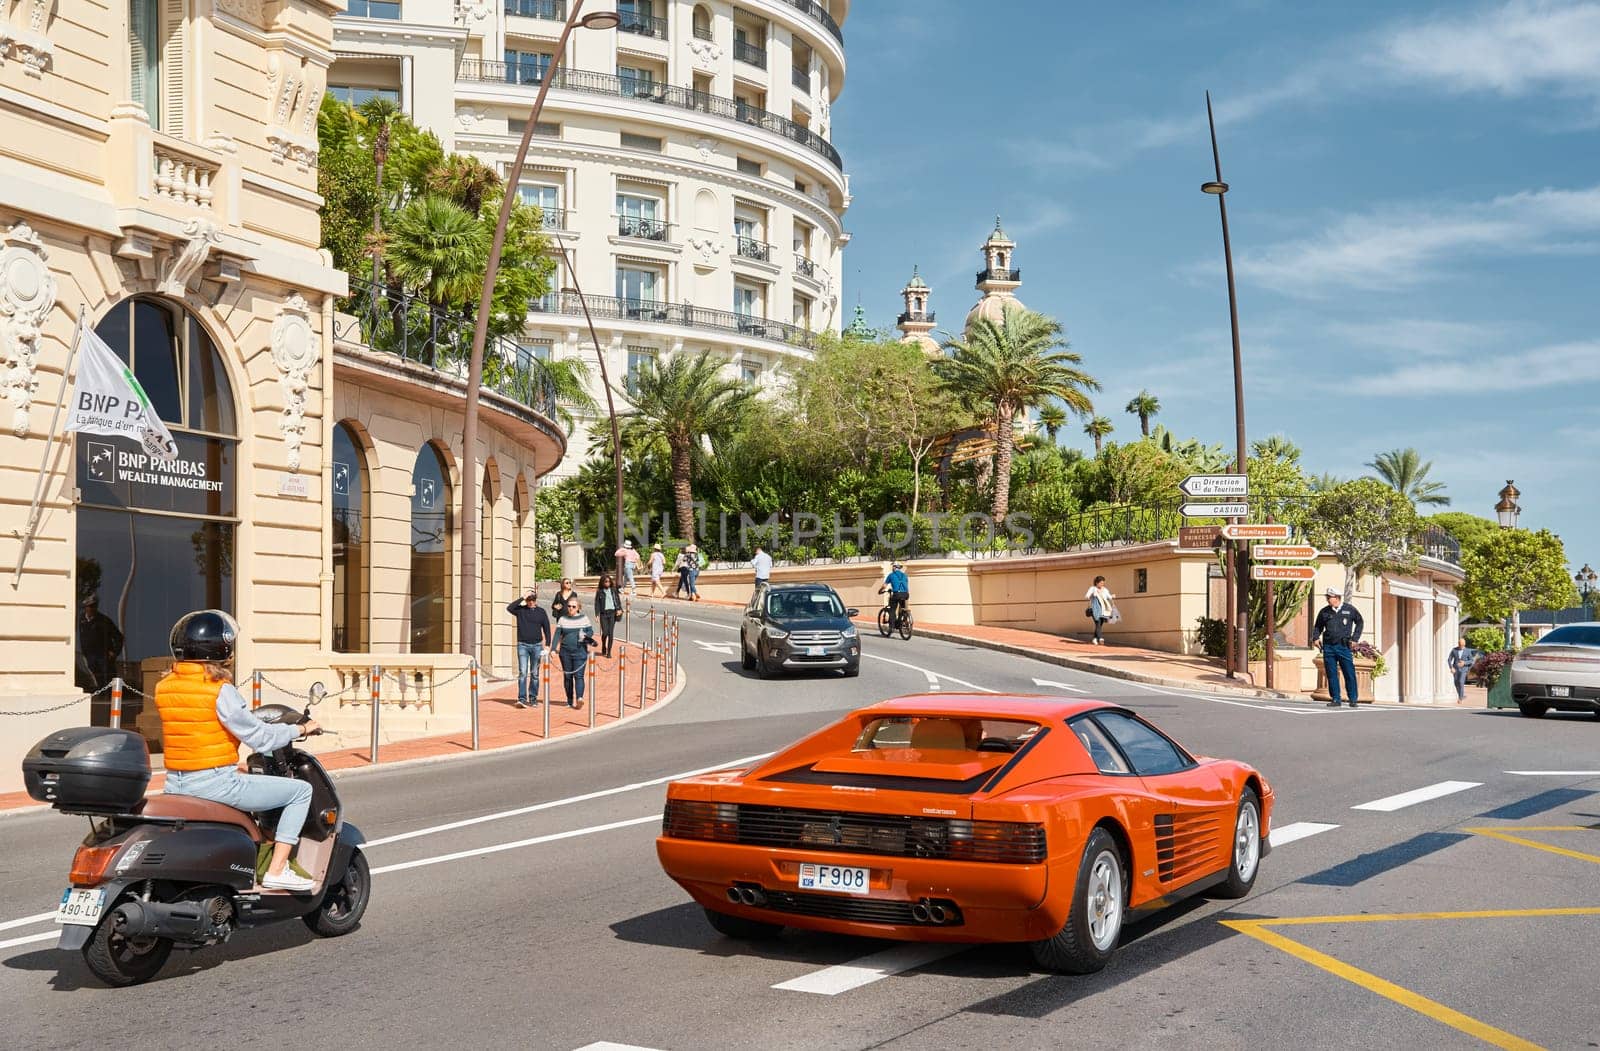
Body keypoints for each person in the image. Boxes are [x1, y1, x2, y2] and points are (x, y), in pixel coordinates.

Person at [154, 610, 319, 892]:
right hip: (215, 784)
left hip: (176, 783)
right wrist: (300, 730)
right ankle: (277, 869)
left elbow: (196, 730)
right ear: (223, 647)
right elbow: (261, 738)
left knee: (247, 778)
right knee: (300, 792)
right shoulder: (219, 690)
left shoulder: (164, 686)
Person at [1311, 586, 1365, 708]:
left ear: (1337, 598)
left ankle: (1353, 699)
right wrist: (1315, 638)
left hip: (1344, 646)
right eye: (1327, 597)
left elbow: (1360, 622)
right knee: (1331, 673)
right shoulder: (1324, 612)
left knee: (1349, 673)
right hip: (1329, 647)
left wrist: (1355, 639)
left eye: (1330, 597)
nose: (1328, 599)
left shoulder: (1349, 610)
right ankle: (1336, 699)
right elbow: (1317, 626)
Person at [506, 590, 552, 707]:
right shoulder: (521, 610)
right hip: (523, 645)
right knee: (522, 672)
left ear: (536, 600)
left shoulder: (541, 612)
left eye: (533, 600)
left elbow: (546, 628)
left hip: (537, 645)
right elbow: (509, 608)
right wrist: (522, 597)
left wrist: (547, 644)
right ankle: (522, 698)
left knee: (535, 673)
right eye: (529, 600)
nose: (531, 602)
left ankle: (533, 698)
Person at [554, 597, 597, 708]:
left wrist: (586, 636)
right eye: (569, 606)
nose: (571, 608)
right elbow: (557, 635)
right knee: (568, 677)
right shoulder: (562, 619)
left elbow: (590, 631)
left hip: (580, 651)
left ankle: (579, 698)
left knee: (579, 676)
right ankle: (569, 700)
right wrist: (553, 649)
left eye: (573, 606)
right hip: (565, 652)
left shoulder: (584, 619)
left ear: (578, 608)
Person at [75, 595, 123, 693]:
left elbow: (118, 637)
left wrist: (114, 652)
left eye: (94, 606)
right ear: (85, 607)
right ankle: (101, 694)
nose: (92, 609)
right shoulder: (81, 620)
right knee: (96, 677)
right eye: (90, 606)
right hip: (89, 655)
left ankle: (109, 697)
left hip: (103, 655)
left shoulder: (104, 620)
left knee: (107, 677)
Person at [594, 572, 623, 658]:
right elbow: (597, 603)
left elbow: (618, 600)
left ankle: (609, 652)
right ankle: (603, 645)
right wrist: (597, 614)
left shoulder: (613, 590)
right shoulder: (600, 591)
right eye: (606, 581)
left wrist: (620, 609)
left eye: (609, 581)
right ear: (602, 582)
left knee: (610, 633)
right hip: (603, 614)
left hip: (612, 613)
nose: (607, 583)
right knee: (605, 632)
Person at [1085, 575, 1116, 645]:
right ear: (1096, 583)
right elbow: (1087, 595)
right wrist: (1092, 594)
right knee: (1098, 623)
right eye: (1101, 582)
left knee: (1100, 624)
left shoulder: (1105, 590)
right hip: (1095, 609)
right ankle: (1100, 638)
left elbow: (1108, 597)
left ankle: (1095, 638)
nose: (1102, 584)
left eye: (1103, 583)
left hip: (1104, 610)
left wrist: (1112, 596)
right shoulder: (1092, 589)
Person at [878, 562, 910, 629]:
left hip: (897, 594)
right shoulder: (905, 575)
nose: (892, 568)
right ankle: (903, 619)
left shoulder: (891, 575)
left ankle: (892, 626)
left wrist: (880, 591)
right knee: (902, 607)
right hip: (906, 594)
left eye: (893, 566)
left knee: (892, 609)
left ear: (895, 567)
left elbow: (884, 586)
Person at [1447, 636, 1473, 704]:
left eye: (1462, 645)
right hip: (1455, 669)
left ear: (1464, 644)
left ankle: (1460, 699)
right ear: (1458, 644)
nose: (1461, 646)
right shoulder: (1454, 650)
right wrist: (1451, 667)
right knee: (1456, 683)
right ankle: (1461, 695)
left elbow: (1471, 660)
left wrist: (1464, 663)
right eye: (1460, 645)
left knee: (1461, 682)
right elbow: (1449, 659)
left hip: (1464, 669)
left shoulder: (1467, 651)